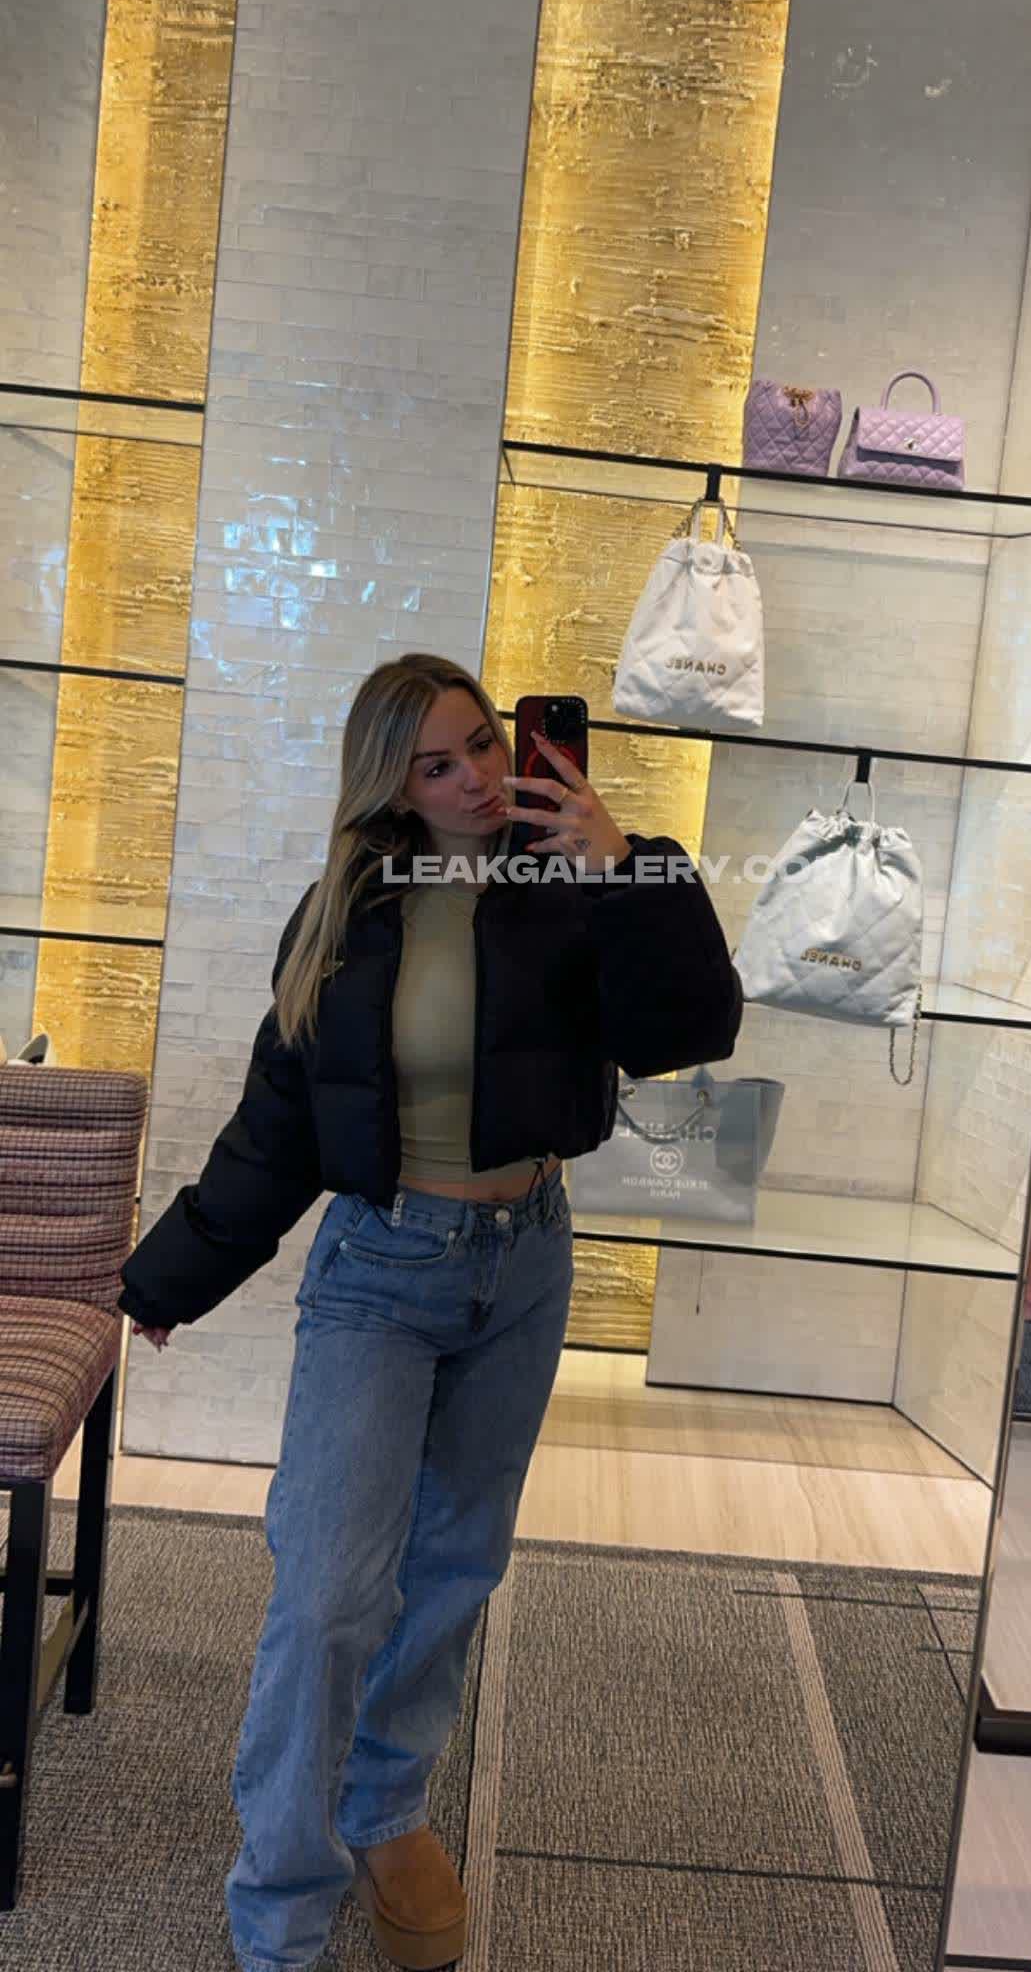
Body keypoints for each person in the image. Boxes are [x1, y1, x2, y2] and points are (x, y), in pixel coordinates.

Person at [117, 651, 743, 1972]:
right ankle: (282, 1908)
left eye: (486, 746)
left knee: (455, 1568)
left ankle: (385, 1809)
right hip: (382, 1270)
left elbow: (686, 1033)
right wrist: (172, 1277)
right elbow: (281, 1122)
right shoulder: (345, 912)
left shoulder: (573, 884)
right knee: (328, 1591)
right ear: (391, 786)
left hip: (526, 1264)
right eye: (437, 763)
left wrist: (625, 866)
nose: (477, 779)